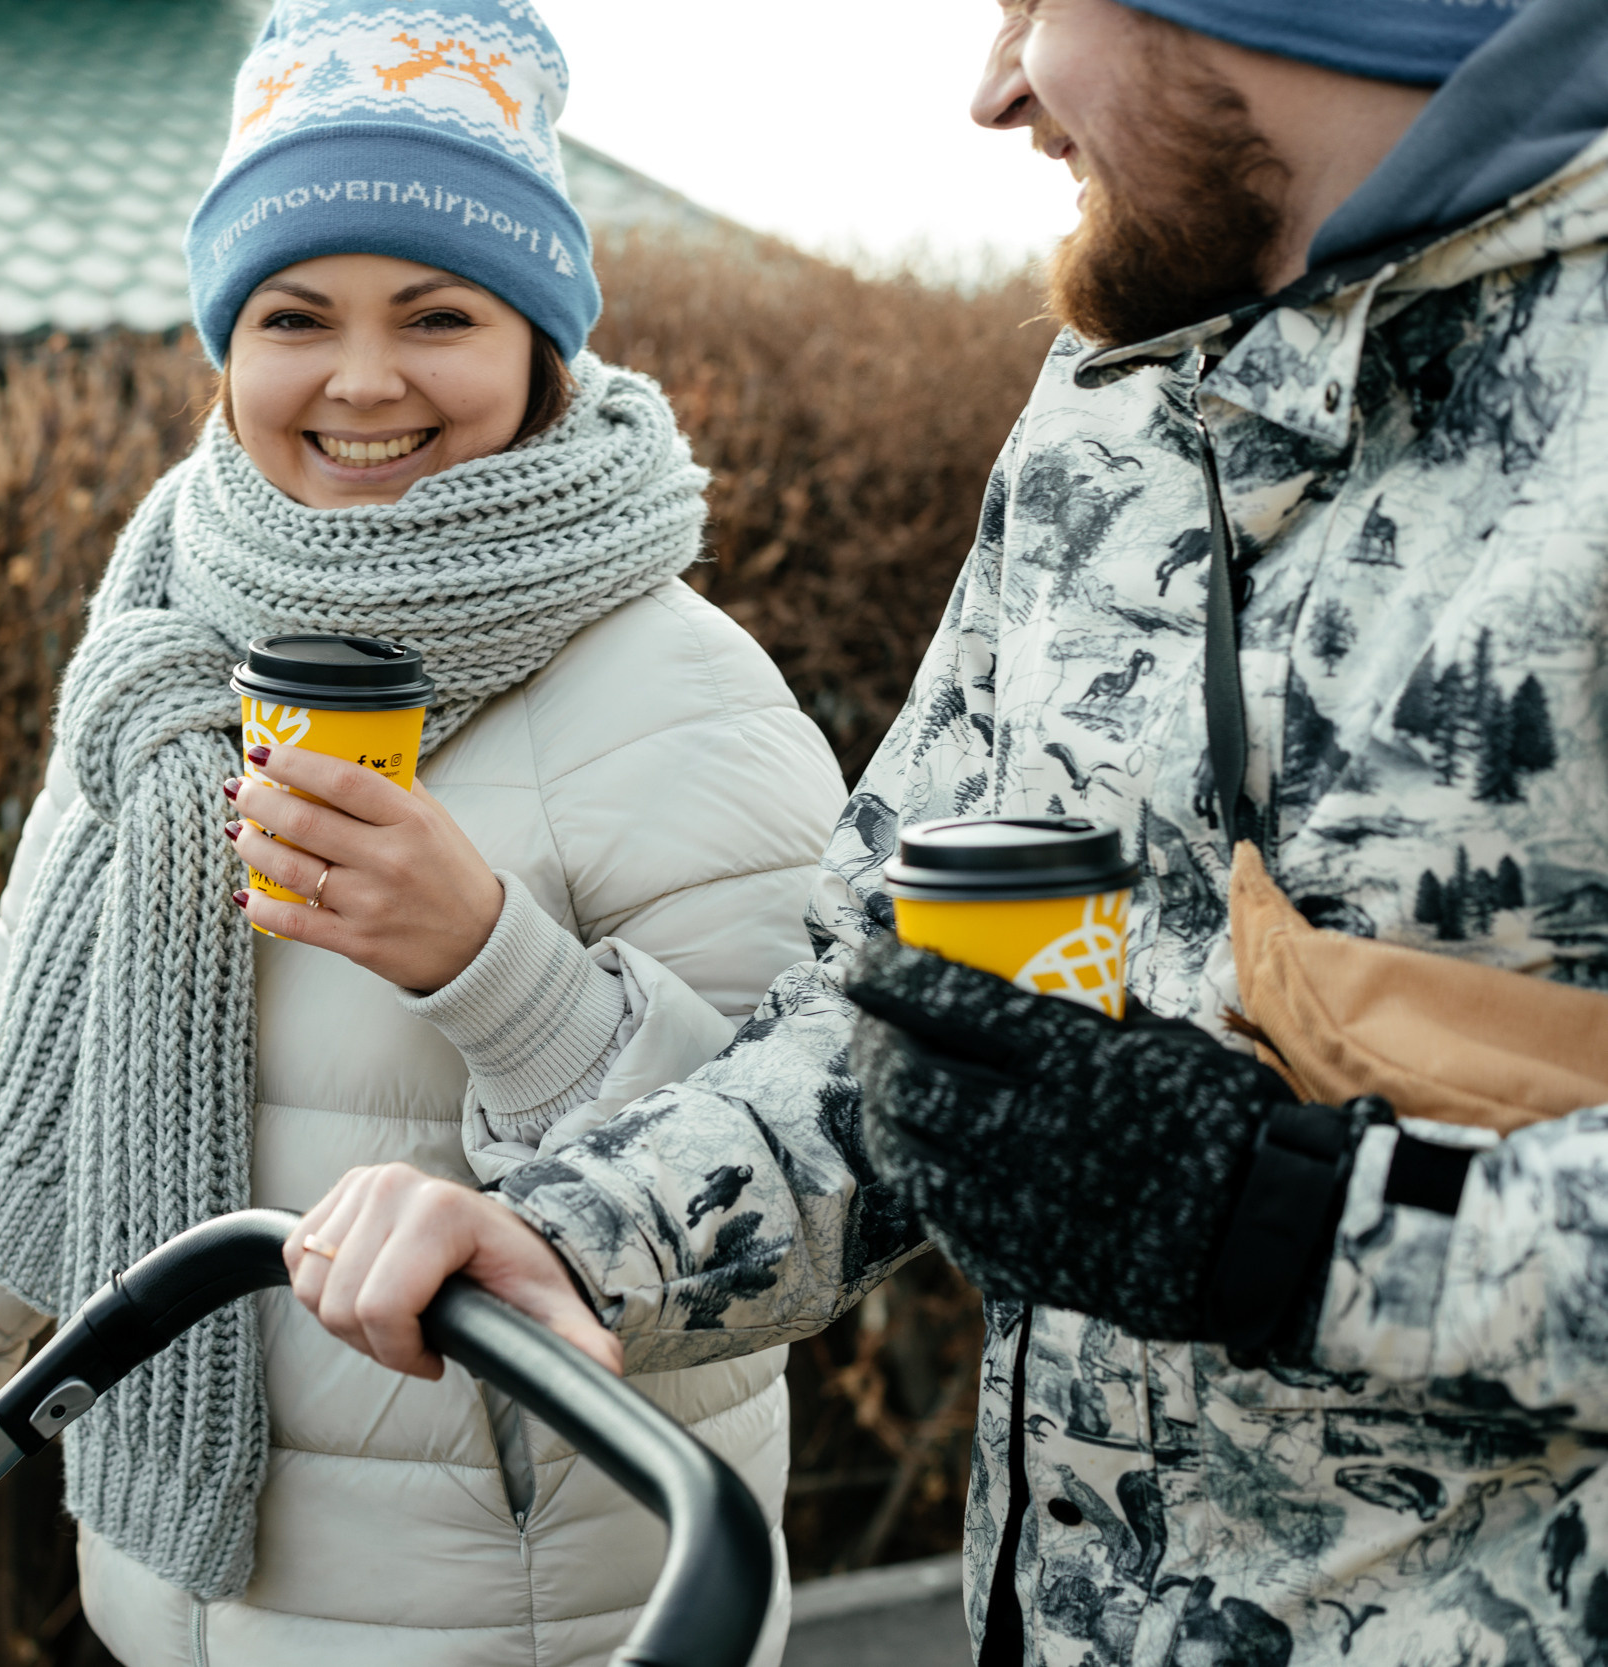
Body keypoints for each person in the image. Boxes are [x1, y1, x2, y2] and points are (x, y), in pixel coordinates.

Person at [288, 1, 1608, 1662]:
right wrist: (575, 1227)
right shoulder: (1111, 412)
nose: (994, 90)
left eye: (1036, 6)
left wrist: (1299, 1230)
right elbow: (883, 1010)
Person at [0, 4, 848, 1663]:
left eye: (436, 314)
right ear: (228, 344)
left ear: (540, 345)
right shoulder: (166, 653)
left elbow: (795, 1197)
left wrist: (489, 964)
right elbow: (10, 1094)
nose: (362, 380)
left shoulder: (681, 693)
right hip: (178, 1611)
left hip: (533, 1628)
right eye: (296, 315)